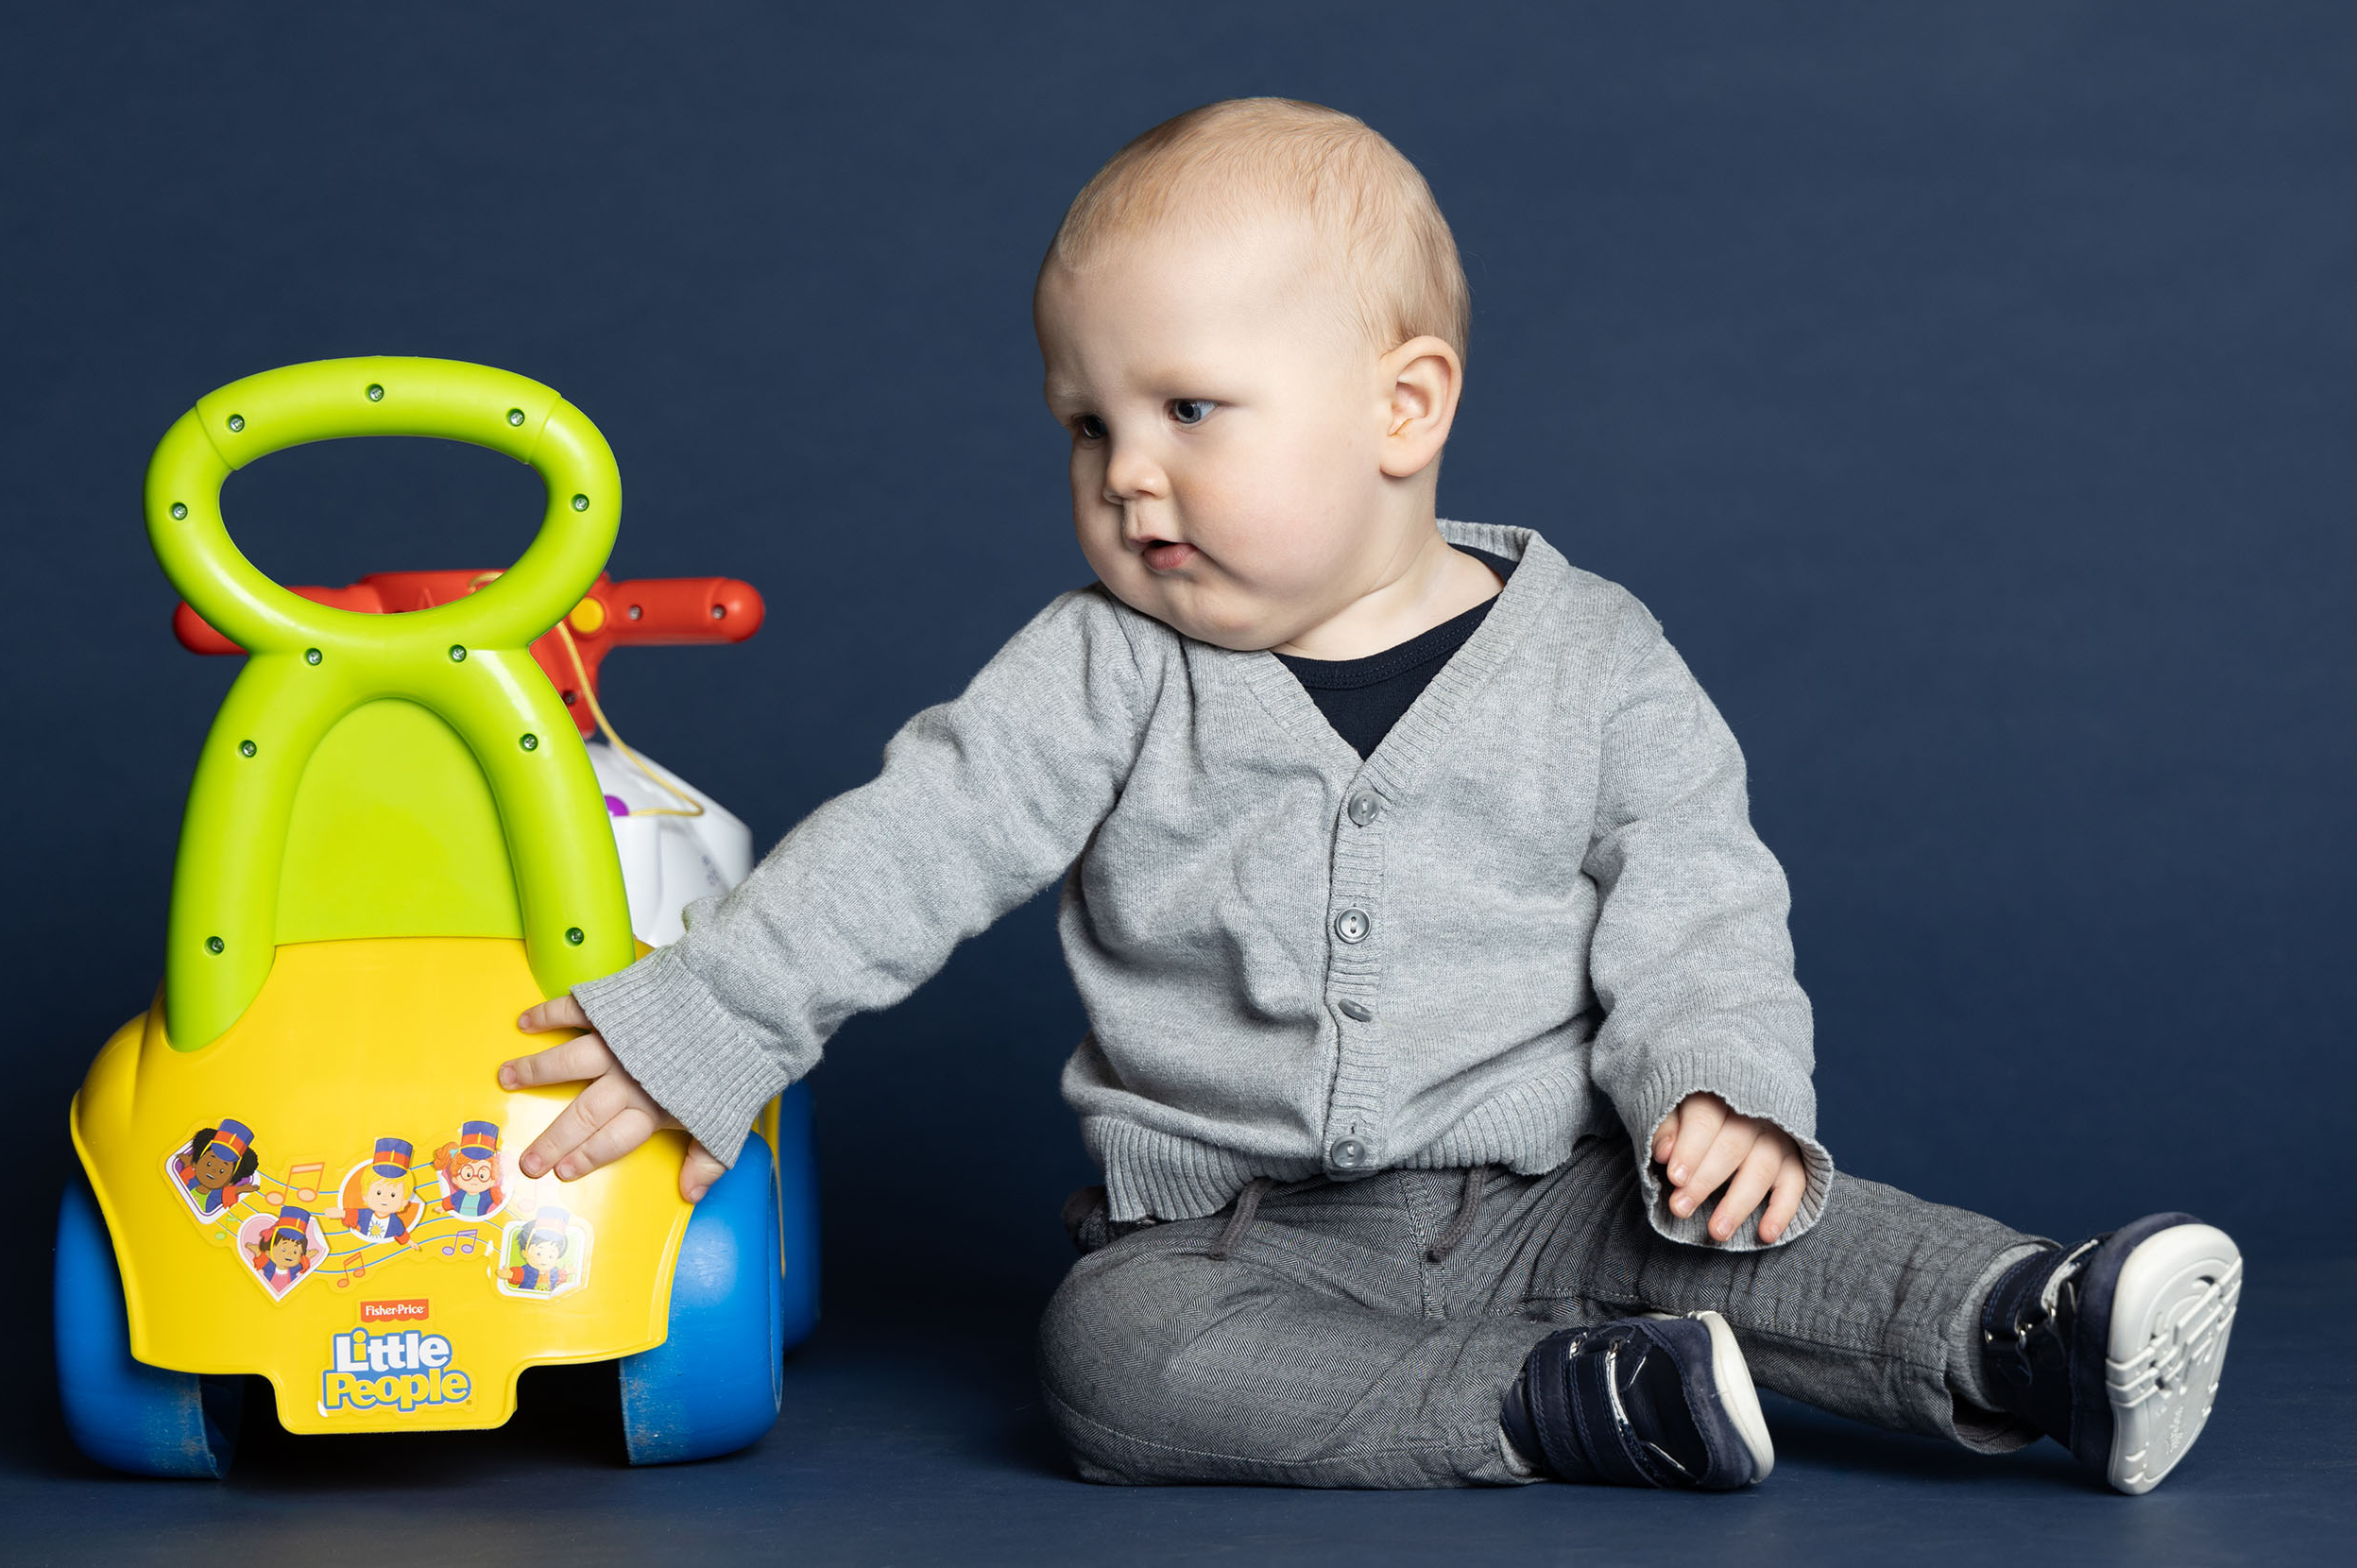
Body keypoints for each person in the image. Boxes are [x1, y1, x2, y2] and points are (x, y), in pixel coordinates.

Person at [496, 98, 2239, 1495]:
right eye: (1086, 427)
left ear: (1403, 409)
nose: (1131, 477)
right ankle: (1564, 1407)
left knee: (1757, 1231)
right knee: (1116, 1370)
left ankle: (2029, 1326)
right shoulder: (1102, 665)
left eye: (1188, 409)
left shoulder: (1594, 657)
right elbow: (911, 843)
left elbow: (1698, 889)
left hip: (1556, 1180)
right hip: (1229, 1237)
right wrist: (708, 1023)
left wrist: (1723, 1091)